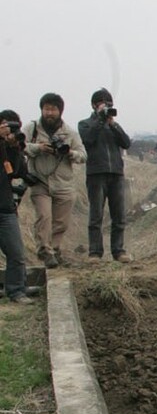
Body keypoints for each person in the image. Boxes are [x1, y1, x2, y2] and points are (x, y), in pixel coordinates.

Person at [23, 93, 87, 268]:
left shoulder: (70, 132)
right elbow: (20, 146)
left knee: (61, 222)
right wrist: (38, 148)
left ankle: (55, 249)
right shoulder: (32, 128)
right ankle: (45, 250)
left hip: (63, 183)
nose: (49, 113)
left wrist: (69, 153)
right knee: (44, 216)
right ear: (41, 109)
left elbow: (83, 155)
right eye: (46, 109)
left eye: (53, 109)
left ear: (60, 111)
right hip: (39, 180)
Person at [78, 88, 131, 262]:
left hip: (116, 172)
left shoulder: (113, 125)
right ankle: (95, 252)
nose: (107, 106)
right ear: (94, 105)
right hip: (96, 173)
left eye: (109, 104)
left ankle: (119, 250)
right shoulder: (85, 124)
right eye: (103, 103)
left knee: (119, 215)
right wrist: (100, 120)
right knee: (96, 215)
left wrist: (112, 124)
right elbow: (88, 140)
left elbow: (126, 142)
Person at [0, 110, 31, 303]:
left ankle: (17, 290)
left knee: (16, 253)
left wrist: (14, 148)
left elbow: (17, 171)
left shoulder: (8, 147)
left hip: (5, 207)